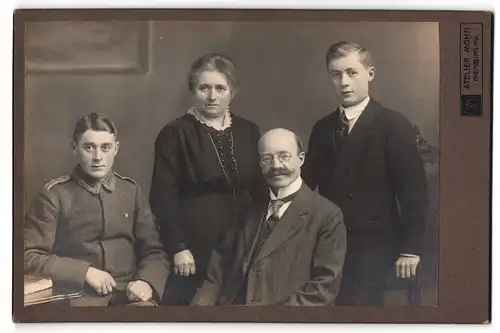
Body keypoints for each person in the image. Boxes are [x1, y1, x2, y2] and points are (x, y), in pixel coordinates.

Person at [302, 41, 429, 305]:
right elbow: (304, 188)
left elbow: (413, 194)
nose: (343, 82)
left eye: (351, 72)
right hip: (328, 244)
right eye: (335, 75)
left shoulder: (393, 125)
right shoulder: (322, 128)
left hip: (374, 247)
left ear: (370, 73)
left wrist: (410, 250)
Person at [149, 53, 266, 305]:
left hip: (244, 243)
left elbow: (261, 191)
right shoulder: (174, 134)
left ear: (232, 91)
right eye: (204, 88)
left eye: (220, 88)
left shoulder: (249, 131)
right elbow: (162, 198)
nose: (212, 96)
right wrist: (178, 247)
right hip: (195, 247)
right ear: (193, 90)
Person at [24, 113, 171, 307]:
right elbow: (27, 256)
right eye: (88, 147)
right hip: (77, 298)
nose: (97, 157)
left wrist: (146, 282)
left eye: (105, 148)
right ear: (75, 148)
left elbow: (155, 251)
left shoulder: (131, 191)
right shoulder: (54, 195)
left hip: (128, 295)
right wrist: (85, 272)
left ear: (116, 149)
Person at [191, 128, 347, 306]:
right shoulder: (247, 211)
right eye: (267, 158)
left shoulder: (327, 215)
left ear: (301, 159)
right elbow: (215, 277)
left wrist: (270, 322)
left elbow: (323, 289)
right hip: (232, 319)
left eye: (284, 156)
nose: (276, 166)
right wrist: (195, 319)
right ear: (260, 164)